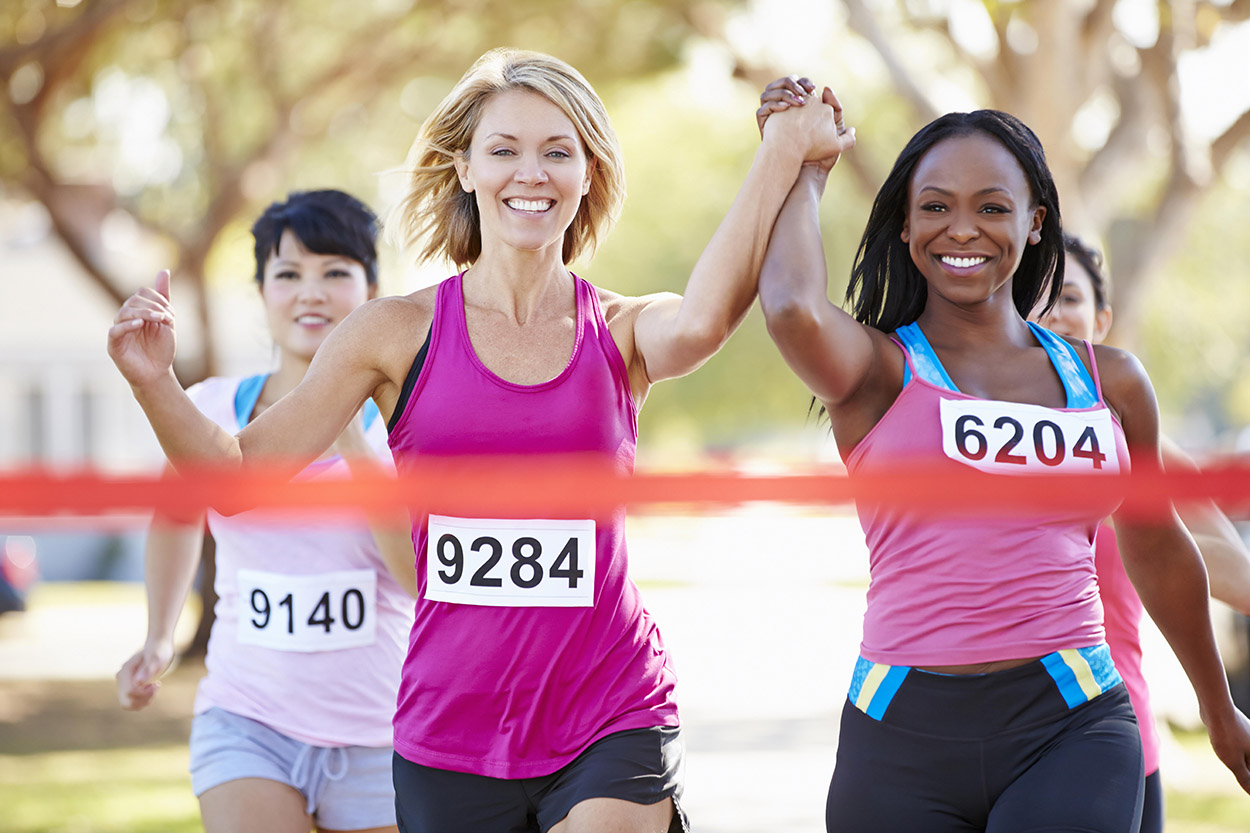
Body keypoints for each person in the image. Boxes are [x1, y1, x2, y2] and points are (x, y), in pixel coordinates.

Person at [107, 49, 850, 833]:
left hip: (610, 706)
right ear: (464, 167)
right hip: (449, 733)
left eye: (558, 152)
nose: (531, 173)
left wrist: (781, 151)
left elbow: (704, 320)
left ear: (589, 172)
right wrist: (151, 381)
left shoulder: (623, 329)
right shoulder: (392, 331)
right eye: (504, 151)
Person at [754, 76, 1250, 832]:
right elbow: (790, 306)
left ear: (1035, 223)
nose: (963, 229)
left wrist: (1221, 714)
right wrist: (805, 168)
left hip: (1072, 718)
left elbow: (1155, 544)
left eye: (992, 207)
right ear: (904, 227)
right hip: (899, 726)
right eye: (936, 207)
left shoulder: (1108, 380)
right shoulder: (878, 371)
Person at [114, 189, 415, 833]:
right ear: (261, 292)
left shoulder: (408, 427)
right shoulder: (212, 409)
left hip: (381, 737)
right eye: (288, 274)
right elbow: (175, 517)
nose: (312, 292)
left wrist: (350, 435)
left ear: (373, 291)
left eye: (336, 271)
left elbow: (418, 578)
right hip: (246, 722)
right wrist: (159, 636)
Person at [1033, 232, 1250, 833]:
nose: (1053, 312)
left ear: (1101, 319)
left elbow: (1232, 571)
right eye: (1037, 297)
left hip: (1119, 742)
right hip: (1002, 740)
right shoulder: (984, 431)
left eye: (1069, 297)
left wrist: (1137, 517)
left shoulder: (1138, 438)